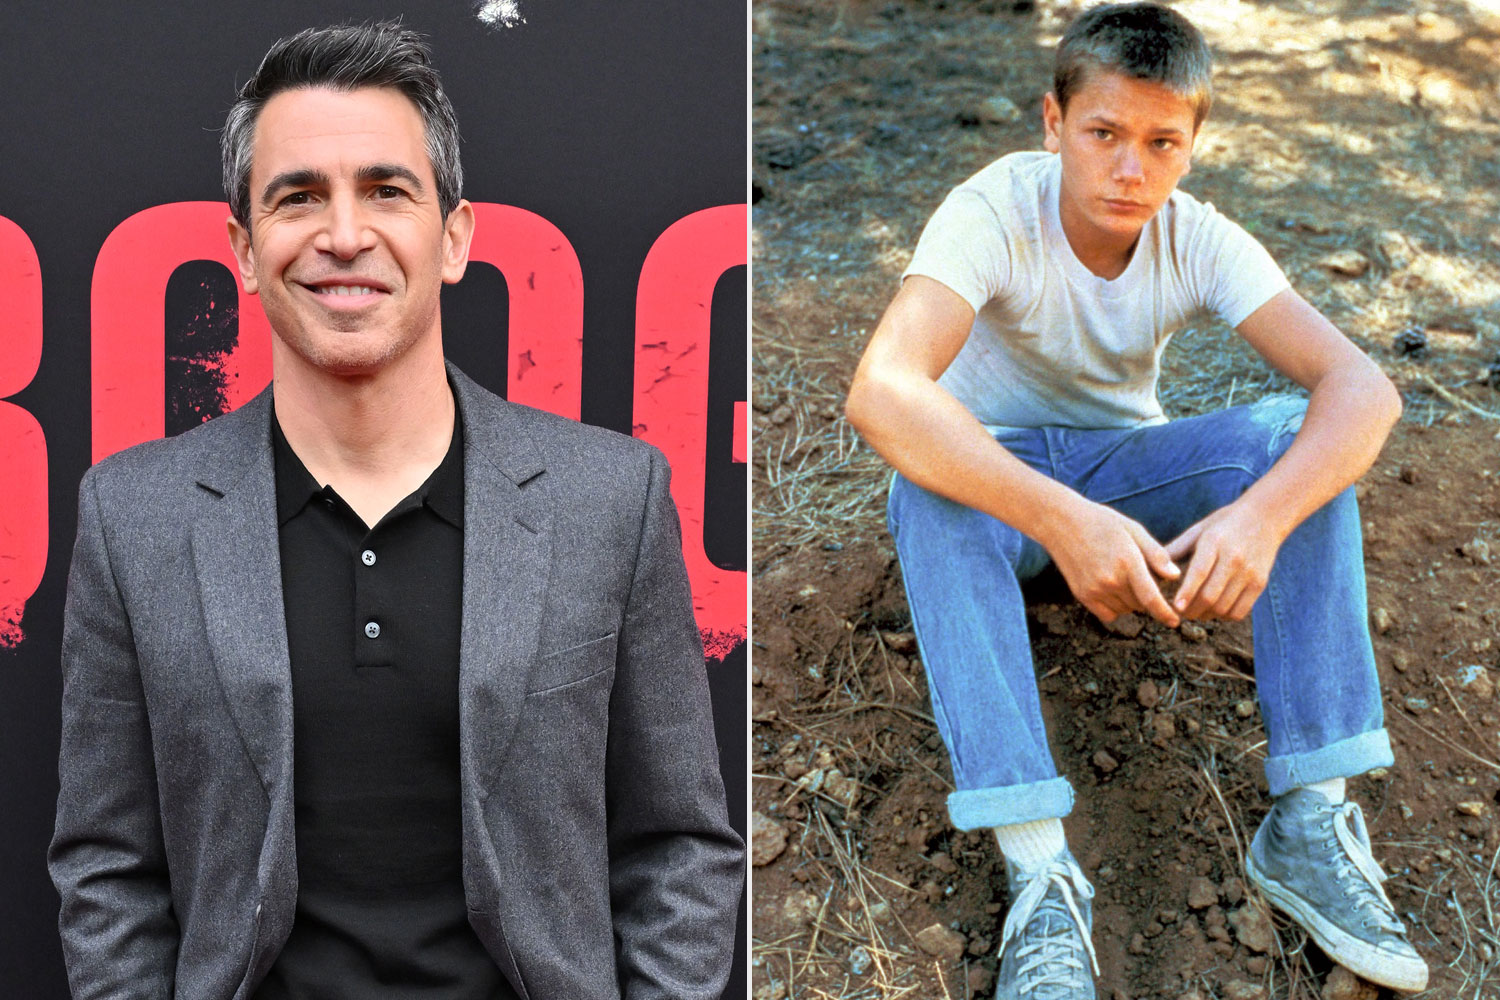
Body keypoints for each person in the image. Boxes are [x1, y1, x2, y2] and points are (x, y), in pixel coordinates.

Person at [49, 21, 742, 1000]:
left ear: (453, 237)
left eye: (386, 190)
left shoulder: (609, 498)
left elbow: (679, 844)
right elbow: (107, 869)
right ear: (243, 250)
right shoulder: (134, 517)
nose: (343, 233)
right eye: (298, 197)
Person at [844, 3, 1424, 996]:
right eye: (1103, 133)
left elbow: (1364, 390)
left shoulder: (1196, 237)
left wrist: (1261, 516)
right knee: (924, 487)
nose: (1129, 170)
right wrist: (1064, 520)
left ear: (1193, 148)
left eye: (1161, 143)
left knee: (1301, 441)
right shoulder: (993, 210)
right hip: (1001, 485)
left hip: (1130, 468)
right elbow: (881, 390)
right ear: (1052, 123)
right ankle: (1042, 875)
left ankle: (1310, 821)